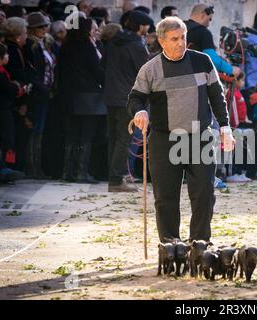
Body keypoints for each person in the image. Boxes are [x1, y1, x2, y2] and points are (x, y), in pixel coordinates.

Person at [127, 17, 234, 242]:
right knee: (165, 198)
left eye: (183, 37)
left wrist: (225, 126)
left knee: (205, 194)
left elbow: (217, 96)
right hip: (165, 140)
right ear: (162, 41)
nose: (180, 43)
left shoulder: (203, 61)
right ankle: (170, 245)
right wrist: (140, 112)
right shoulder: (151, 69)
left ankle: (199, 243)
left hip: (200, 137)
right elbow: (135, 98)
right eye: (174, 39)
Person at [103, 10, 149, 192]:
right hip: (127, 97)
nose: (147, 29)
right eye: (146, 26)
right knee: (124, 138)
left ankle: (114, 176)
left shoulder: (113, 42)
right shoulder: (136, 45)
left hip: (111, 96)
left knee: (114, 138)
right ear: (140, 27)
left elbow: (103, 65)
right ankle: (116, 180)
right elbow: (143, 72)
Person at [58, 17, 105, 183]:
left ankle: (67, 172)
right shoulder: (87, 47)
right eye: (92, 28)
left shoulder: (65, 46)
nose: (95, 31)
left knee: (71, 133)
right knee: (86, 135)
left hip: (68, 95)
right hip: (88, 97)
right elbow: (98, 72)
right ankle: (81, 172)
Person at [24, 12, 55, 179]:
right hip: (37, 93)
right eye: (40, 27)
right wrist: (42, 88)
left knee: (39, 131)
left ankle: (37, 167)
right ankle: (32, 168)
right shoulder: (31, 45)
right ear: (32, 29)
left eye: (45, 26)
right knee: (34, 130)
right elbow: (32, 72)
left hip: (45, 92)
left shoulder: (44, 44)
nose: (44, 29)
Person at [184, 4, 240, 77]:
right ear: (203, 15)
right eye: (209, 19)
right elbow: (212, 59)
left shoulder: (177, 27)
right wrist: (231, 69)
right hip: (193, 80)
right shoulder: (203, 32)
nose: (209, 24)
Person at [0, 42, 26, 169]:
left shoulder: (3, 71)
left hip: (4, 109)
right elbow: (10, 89)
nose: (8, 56)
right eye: (6, 54)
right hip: (3, 110)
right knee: (8, 140)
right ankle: (8, 166)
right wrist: (18, 88)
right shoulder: (0, 73)